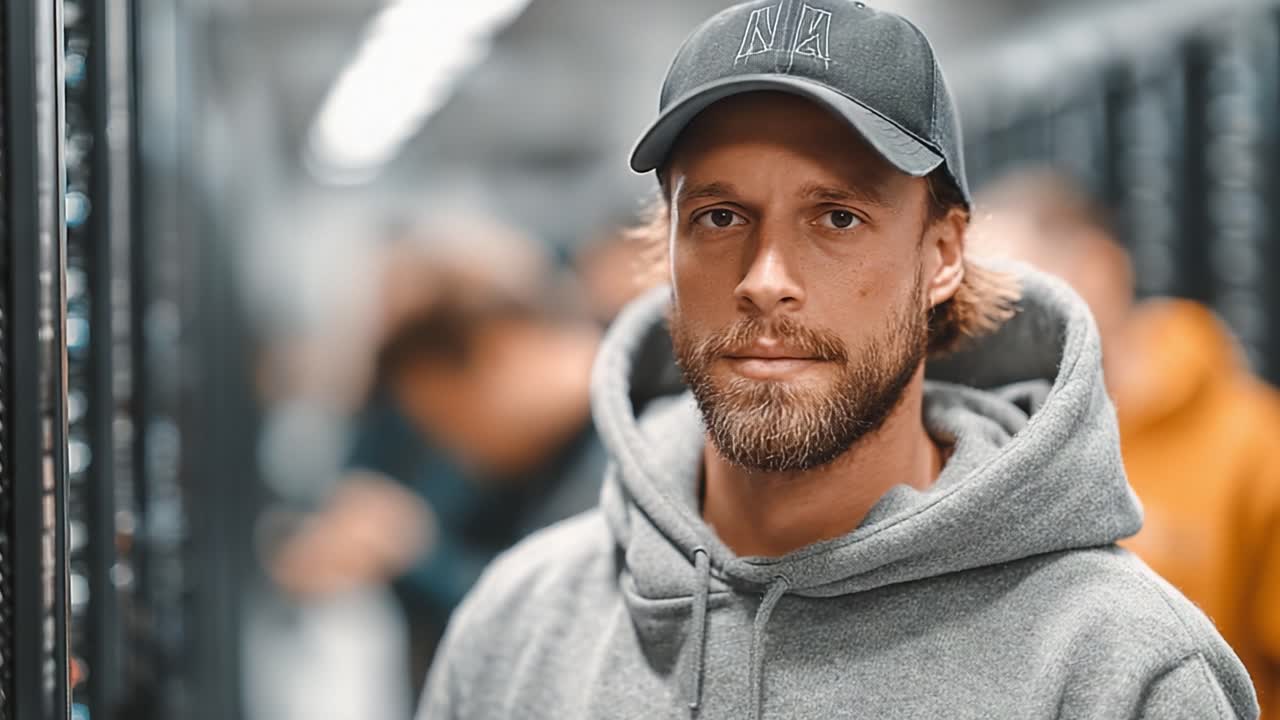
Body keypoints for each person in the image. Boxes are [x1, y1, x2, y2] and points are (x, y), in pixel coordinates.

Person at [420, 3, 1257, 718]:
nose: (766, 281)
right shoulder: (516, 628)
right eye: (718, 217)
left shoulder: (1118, 670)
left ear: (942, 255)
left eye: (838, 218)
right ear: (665, 246)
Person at [973, 168, 1280, 716]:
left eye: (1008, 302)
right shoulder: (995, 449)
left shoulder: (1254, 447)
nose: (984, 336)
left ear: (1100, 270)